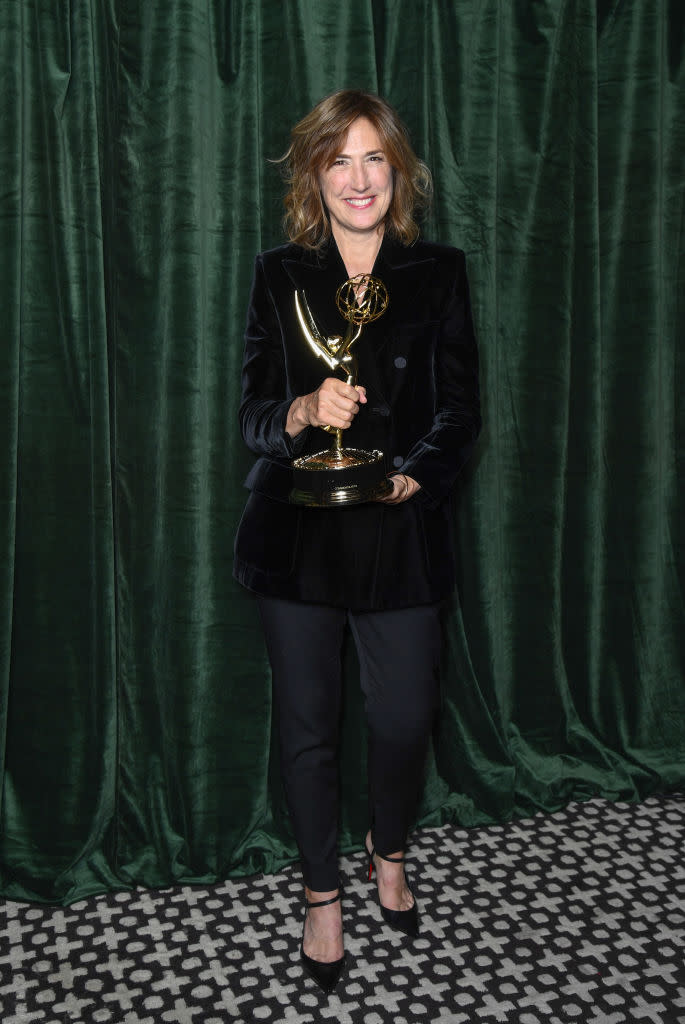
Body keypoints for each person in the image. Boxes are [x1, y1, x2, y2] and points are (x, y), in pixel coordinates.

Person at [234, 89, 480, 994]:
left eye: (373, 157)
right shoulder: (277, 272)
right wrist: (300, 410)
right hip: (295, 535)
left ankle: (388, 845)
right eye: (338, 160)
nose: (358, 177)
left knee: (402, 714)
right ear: (313, 175)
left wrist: (418, 470)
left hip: (399, 530)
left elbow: (460, 410)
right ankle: (322, 896)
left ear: (398, 170)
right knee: (307, 729)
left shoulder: (439, 270)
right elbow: (254, 413)